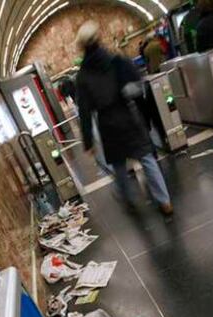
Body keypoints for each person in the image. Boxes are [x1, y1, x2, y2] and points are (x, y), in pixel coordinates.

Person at [75, 21, 173, 215]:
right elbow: (137, 87)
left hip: (106, 123)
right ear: (98, 39)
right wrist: (144, 116)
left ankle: (127, 198)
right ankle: (164, 201)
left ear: (82, 47)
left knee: (119, 164)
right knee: (146, 158)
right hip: (128, 115)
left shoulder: (82, 76)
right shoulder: (116, 61)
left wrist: (88, 142)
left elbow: (84, 111)